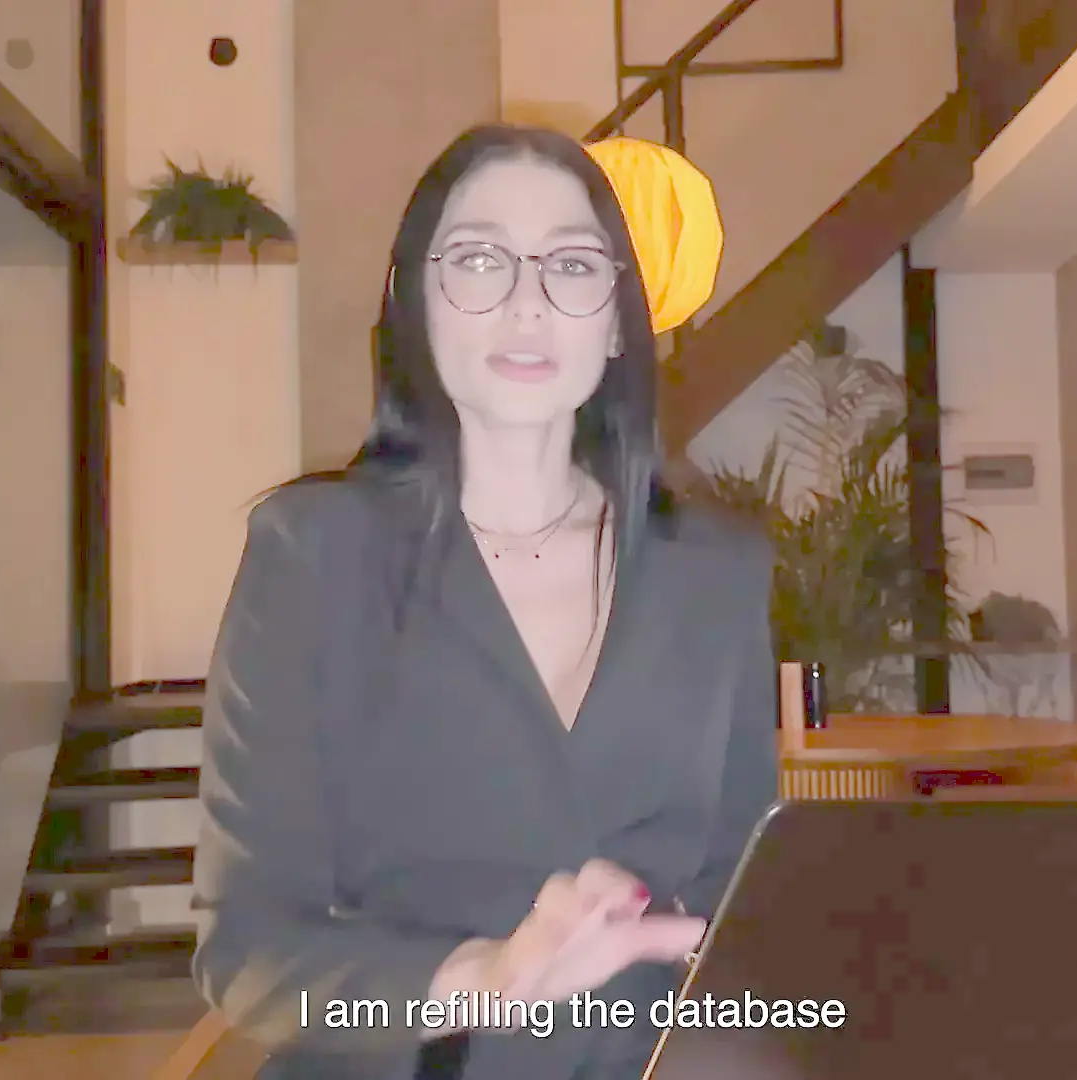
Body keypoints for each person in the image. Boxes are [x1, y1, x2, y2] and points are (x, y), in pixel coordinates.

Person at [191, 123, 779, 1080]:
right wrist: (484, 979)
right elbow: (248, 948)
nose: (527, 303)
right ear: (412, 303)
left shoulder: (718, 574)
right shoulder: (312, 555)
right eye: (477, 259)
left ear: (618, 322)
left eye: (572, 266)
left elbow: (739, 907)